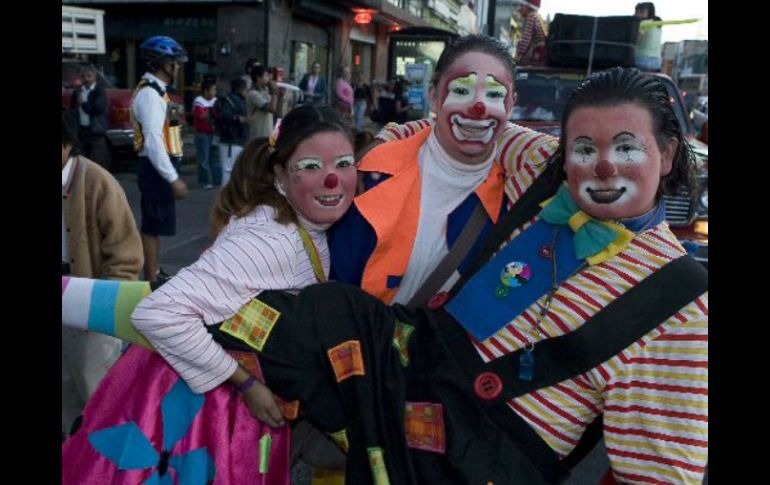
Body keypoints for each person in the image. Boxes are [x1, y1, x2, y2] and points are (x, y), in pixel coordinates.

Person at [63, 68, 708, 484]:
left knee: (232, 341)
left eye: (627, 147)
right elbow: (469, 122)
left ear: (669, 153)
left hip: (482, 450)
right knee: (313, 310)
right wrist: (389, 139)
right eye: (585, 148)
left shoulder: (680, 301)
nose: (600, 166)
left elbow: (660, 472)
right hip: (417, 358)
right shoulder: (545, 165)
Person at [61, 105, 358, 484]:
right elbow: (158, 313)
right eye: (311, 166)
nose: (332, 179)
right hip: (205, 417)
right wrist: (245, 382)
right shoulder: (272, 242)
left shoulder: (295, 222)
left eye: (344, 163)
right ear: (280, 175)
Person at [329, 34, 557, 307]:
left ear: (511, 105)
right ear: (434, 95)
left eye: (495, 95)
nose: (479, 107)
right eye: (461, 91)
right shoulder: (374, 171)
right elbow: (335, 281)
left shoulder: (518, 191)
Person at [61, 111, 143, 439]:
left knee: (95, 391)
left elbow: (126, 255)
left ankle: (105, 459)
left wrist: (104, 307)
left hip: (90, 299)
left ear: (67, 145)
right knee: (66, 392)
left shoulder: (97, 182)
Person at [131, 35, 189, 283]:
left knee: (157, 224)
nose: (178, 67)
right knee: (152, 226)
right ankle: (151, 279)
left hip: (159, 166)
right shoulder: (150, 95)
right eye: (175, 62)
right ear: (165, 64)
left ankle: (153, 272)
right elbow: (153, 141)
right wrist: (172, 178)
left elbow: (165, 132)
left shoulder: (159, 92)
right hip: (155, 169)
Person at [70, 64, 110, 168]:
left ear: (94, 77)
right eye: (84, 76)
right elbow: (72, 109)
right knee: (81, 162)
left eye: (89, 76)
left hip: (95, 132)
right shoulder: (78, 91)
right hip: (81, 131)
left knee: (96, 163)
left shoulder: (99, 91)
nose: (86, 79)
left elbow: (98, 109)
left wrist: (83, 103)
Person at [217, 78, 251, 186]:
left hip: (236, 140)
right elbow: (225, 116)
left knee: (232, 170)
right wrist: (239, 119)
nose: (247, 92)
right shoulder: (230, 101)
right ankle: (225, 194)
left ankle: (230, 194)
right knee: (228, 170)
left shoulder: (236, 100)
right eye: (246, 89)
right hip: (231, 140)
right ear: (241, 89)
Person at [192, 77, 222, 189]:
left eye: (215, 90)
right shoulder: (198, 101)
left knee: (215, 157)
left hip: (214, 133)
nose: (215, 92)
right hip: (202, 134)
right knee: (203, 158)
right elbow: (201, 115)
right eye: (213, 90)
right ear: (205, 91)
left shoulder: (215, 101)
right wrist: (212, 111)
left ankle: (217, 180)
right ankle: (205, 181)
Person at [246, 65, 277, 140]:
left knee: (273, 147)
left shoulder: (266, 90)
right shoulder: (253, 94)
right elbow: (272, 109)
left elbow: (276, 109)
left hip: (270, 134)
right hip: (259, 136)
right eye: (266, 76)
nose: (268, 78)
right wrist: (274, 92)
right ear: (258, 78)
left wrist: (280, 95)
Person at [515, 0, 548, 67]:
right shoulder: (537, 16)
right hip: (543, 52)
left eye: (521, 6)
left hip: (538, 52)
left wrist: (518, 56)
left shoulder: (530, 18)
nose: (519, 9)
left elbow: (525, 40)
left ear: (528, 7)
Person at [635, 2, 663, 72]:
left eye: (641, 11)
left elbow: (636, 40)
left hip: (642, 60)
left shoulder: (644, 23)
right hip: (657, 62)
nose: (637, 14)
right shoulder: (658, 25)